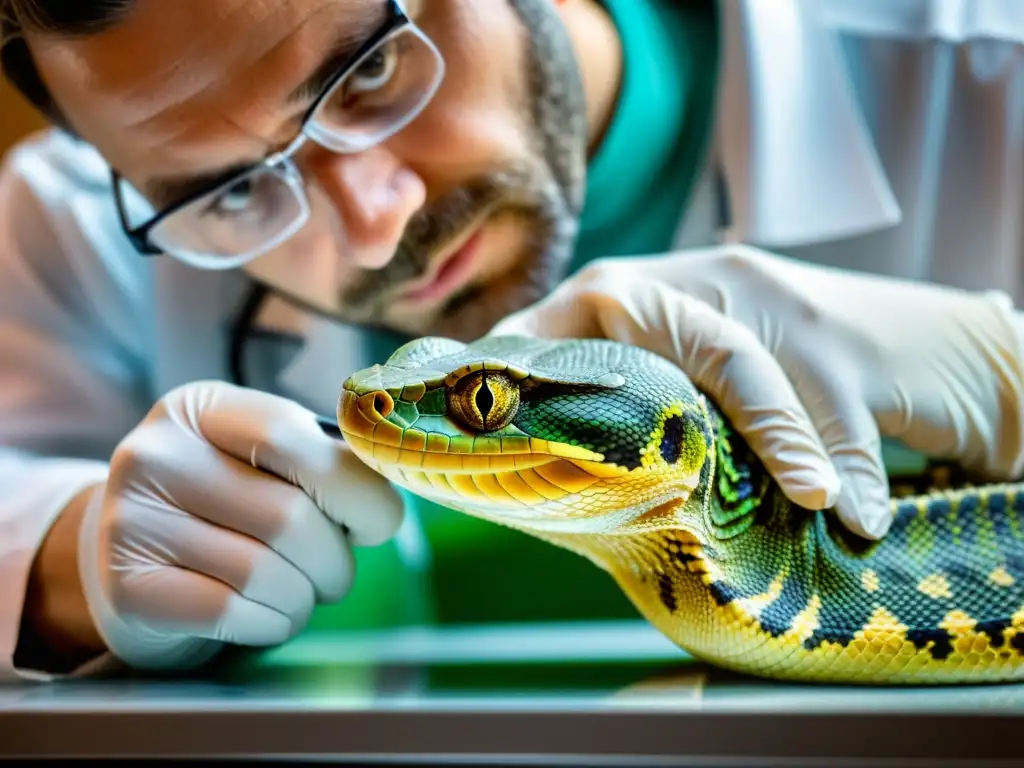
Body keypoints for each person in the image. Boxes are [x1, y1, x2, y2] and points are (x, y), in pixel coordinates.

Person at [0, 0, 1022, 682]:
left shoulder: (987, 67)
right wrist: (67, 556)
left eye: (371, 70)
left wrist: (1006, 372)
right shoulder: (77, 220)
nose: (374, 224)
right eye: (230, 190)